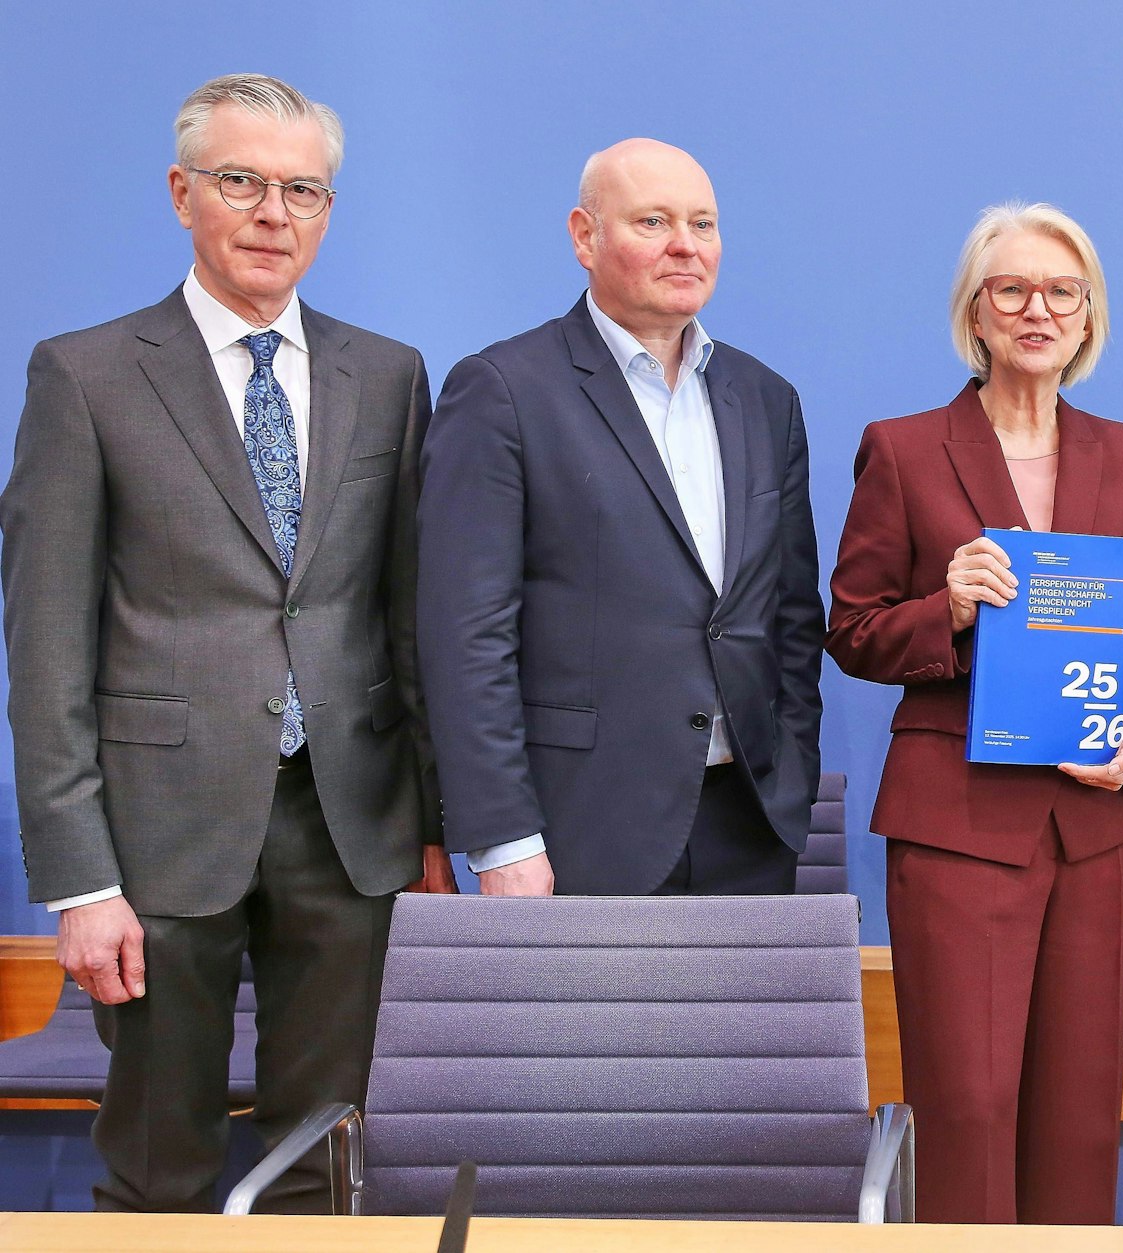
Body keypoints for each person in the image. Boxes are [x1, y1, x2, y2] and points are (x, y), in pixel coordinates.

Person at [0, 73, 450, 1212]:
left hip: (350, 823)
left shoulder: (389, 375)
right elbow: (45, 645)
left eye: (303, 190)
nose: (272, 213)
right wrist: (80, 880)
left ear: (328, 210)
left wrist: (435, 825)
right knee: (159, 1168)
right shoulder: (86, 374)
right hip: (158, 834)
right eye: (241, 181)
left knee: (324, 1166)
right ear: (181, 193)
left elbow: (410, 619)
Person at [825, 202, 1123, 1225]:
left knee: (1078, 1114)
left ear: (1087, 317)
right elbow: (851, 629)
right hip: (958, 823)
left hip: (1097, 823)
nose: (1038, 309)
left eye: (1062, 291)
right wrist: (943, 607)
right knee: (969, 1108)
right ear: (975, 313)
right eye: (1013, 289)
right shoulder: (902, 449)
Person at [418, 139, 823, 897]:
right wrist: (502, 835)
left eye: (703, 224)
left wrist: (791, 780)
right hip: (577, 831)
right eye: (653, 221)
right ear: (585, 237)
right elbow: (466, 634)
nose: (685, 245)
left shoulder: (767, 399)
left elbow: (793, 617)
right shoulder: (503, 390)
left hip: (750, 827)